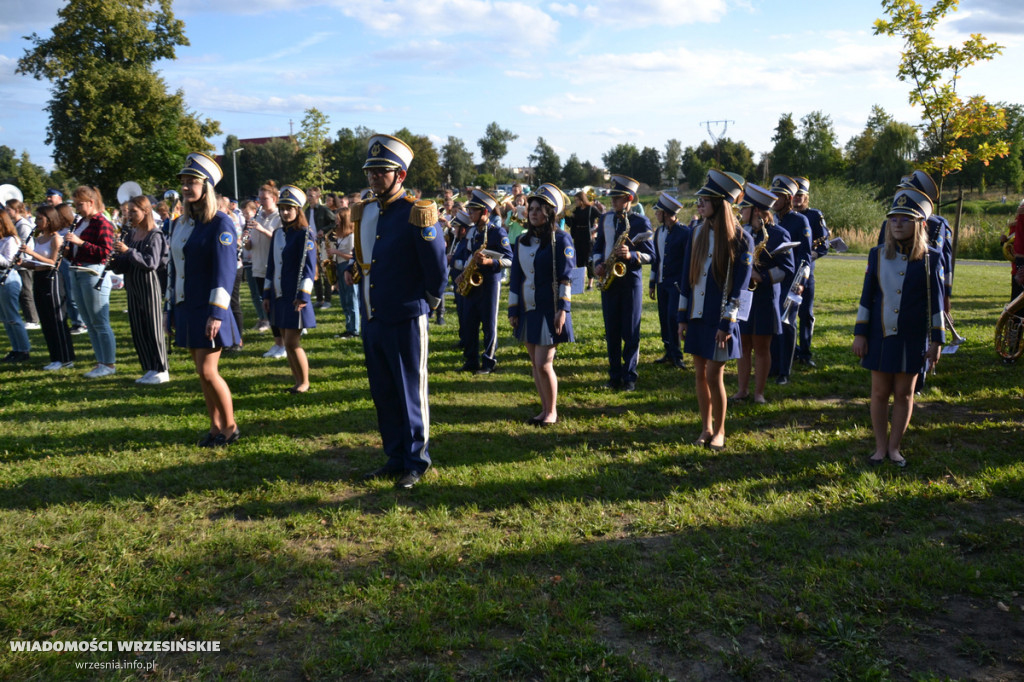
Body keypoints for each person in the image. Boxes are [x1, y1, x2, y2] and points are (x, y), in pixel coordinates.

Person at [346, 134, 447, 489]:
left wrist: (428, 303)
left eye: (382, 171)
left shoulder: (417, 213)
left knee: (409, 392)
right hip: (374, 316)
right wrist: (354, 270)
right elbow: (365, 258)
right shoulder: (366, 210)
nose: (374, 177)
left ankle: (416, 460)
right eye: (371, 171)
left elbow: (437, 270)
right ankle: (394, 455)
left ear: (400, 175)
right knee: (384, 391)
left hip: (406, 315)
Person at [853, 188, 944, 468]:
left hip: (912, 337)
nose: (898, 223)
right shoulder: (877, 254)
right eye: (893, 218)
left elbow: (936, 302)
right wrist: (860, 333)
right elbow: (867, 297)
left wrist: (936, 341)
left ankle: (895, 448)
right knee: (879, 392)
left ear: (920, 224)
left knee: (904, 394)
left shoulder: (931, 258)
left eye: (905, 218)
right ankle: (880, 448)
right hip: (880, 334)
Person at [167, 152, 242, 447]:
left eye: (192, 182)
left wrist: (217, 313)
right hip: (187, 306)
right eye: (183, 182)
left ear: (206, 186)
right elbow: (174, 268)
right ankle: (214, 427)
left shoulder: (220, 223)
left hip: (209, 308)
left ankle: (230, 427)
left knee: (210, 371)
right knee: (201, 372)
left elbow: (224, 272)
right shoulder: (181, 223)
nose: (186, 187)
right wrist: (171, 307)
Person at [677, 170, 752, 451]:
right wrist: (682, 317)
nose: (699, 204)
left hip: (720, 320)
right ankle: (706, 428)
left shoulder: (741, 239)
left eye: (704, 200)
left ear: (720, 203)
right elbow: (687, 278)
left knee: (713, 374)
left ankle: (720, 431)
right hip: (696, 316)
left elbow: (740, 290)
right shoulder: (695, 232)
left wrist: (727, 322)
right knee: (699, 373)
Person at [508, 184, 576, 426]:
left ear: (550, 212)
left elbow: (566, 277)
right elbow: (516, 277)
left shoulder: (561, 239)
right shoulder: (521, 241)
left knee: (544, 362)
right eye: (531, 208)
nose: (533, 212)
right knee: (535, 364)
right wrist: (513, 309)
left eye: (539, 209)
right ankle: (544, 408)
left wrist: (563, 310)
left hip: (550, 310)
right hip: (528, 309)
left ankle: (552, 411)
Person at [733, 184, 795, 404]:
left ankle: (759, 392)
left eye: (745, 208)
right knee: (743, 345)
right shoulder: (743, 232)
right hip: (744, 297)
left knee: (761, 347)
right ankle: (742, 390)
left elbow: (788, 268)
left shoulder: (779, 234)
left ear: (757, 211)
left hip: (765, 298)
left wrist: (763, 277)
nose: (741, 213)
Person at [592, 175, 654, 391]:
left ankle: (629, 376)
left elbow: (651, 256)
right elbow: (597, 247)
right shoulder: (606, 219)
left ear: (628, 198)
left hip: (630, 283)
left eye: (617, 198)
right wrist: (598, 264)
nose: (613, 202)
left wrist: (632, 255)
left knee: (630, 331)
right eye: (612, 198)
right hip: (609, 280)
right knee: (612, 331)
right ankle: (614, 375)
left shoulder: (640, 221)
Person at [111, 194, 170, 384]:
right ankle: (149, 366)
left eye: (134, 211)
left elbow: (151, 263)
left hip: (148, 283)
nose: (129, 215)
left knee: (152, 326)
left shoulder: (155, 234)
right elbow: (124, 263)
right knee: (138, 327)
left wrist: (128, 251)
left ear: (146, 212)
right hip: (132, 283)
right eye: (128, 211)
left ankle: (162, 368)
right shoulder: (130, 233)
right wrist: (114, 259)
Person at [263, 185, 317, 393]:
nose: (285, 212)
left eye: (289, 208)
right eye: (282, 208)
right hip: (279, 295)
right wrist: (267, 293)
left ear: (298, 210)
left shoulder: (305, 234)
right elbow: (272, 265)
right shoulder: (277, 233)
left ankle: (304, 382)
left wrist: (303, 295)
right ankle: (297, 381)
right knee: (286, 341)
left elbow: (310, 269)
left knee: (292, 341)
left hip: (295, 296)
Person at [453, 189, 512, 375]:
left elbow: (510, 259)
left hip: (489, 284)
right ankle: (471, 360)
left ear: (484, 212)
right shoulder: (471, 232)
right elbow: (466, 254)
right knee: (469, 322)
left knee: (489, 323)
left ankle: (488, 362)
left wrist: (490, 262)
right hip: (472, 282)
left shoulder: (497, 233)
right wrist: (463, 273)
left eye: (473, 211)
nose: (469, 214)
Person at [65, 186, 117, 378]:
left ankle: (109, 364)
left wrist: (80, 243)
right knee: (88, 321)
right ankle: (101, 361)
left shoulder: (102, 222)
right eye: (76, 205)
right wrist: (68, 251)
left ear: (91, 202)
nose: (77, 209)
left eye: (80, 204)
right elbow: (78, 250)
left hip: (93, 273)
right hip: (78, 271)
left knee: (100, 321)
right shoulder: (81, 222)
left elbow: (106, 252)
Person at [768, 175, 812, 385]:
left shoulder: (800, 220)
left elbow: (805, 257)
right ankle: (773, 365)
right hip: (774, 280)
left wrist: (800, 283)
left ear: (788, 198)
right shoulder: (773, 219)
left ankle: (784, 370)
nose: (774, 199)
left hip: (792, 281)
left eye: (779, 195)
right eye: (773, 194)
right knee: (773, 323)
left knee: (787, 324)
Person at [19, 205, 74, 369]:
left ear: (49, 220)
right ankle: (55, 357)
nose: (36, 222)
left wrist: (30, 253)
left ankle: (65, 358)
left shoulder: (56, 238)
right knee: (46, 319)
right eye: (36, 218)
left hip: (53, 279)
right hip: (39, 277)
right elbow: (37, 264)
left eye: (40, 218)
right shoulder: (39, 238)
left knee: (57, 319)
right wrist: (23, 263)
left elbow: (53, 262)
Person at [648, 191, 689, 369]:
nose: (656, 215)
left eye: (659, 212)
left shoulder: (684, 232)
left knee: (673, 317)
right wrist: (651, 282)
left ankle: (677, 355)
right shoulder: (659, 232)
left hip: (677, 284)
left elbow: (688, 261)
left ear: (666, 213)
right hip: (662, 283)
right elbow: (656, 259)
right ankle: (668, 351)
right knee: (664, 318)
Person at [792, 177, 829, 368]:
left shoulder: (814, 215)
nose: (797, 199)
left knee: (805, 313)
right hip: (785, 271)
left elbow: (825, 243)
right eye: (794, 195)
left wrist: (811, 254)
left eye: (800, 195)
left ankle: (805, 353)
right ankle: (792, 351)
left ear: (806, 196)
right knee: (786, 313)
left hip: (806, 273)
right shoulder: (783, 216)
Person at [247, 181, 284, 352]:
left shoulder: (280, 217)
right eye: (259, 198)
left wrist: (262, 230)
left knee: (277, 306)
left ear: (275, 199)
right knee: (266, 306)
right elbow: (252, 244)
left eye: (265, 198)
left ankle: (283, 343)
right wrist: (246, 242)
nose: (261, 202)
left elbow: (280, 240)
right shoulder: (257, 216)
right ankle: (277, 342)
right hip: (258, 266)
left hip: (274, 268)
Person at [0, 212, 31, 363]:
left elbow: (8, 262)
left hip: (8, 278)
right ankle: (15, 349)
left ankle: (24, 350)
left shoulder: (10, 240)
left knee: (13, 316)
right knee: (5, 318)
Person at [6, 199, 40, 329]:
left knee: (26, 292)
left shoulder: (23, 225)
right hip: (19, 263)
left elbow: (26, 244)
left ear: (17, 210)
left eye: (9, 209)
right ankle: (29, 318)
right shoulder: (17, 224)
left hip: (25, 262)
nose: (7, 212)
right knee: (22, 292)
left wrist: (20, 260)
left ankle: (33, 320)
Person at [327, 206, 360, 339]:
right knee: (344, 300)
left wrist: (336, 252)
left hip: (349, 268)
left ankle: (354, 329)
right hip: (340, 267)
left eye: (338, 219)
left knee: (352, 299)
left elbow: (353, 256)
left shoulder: (352, 236)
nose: (336, 222)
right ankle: (348, 327)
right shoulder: (340, 236)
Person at [54, 203, 86, 334]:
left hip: (69, 261)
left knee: (72, 292)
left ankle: (80, 322)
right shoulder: (59, 229)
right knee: (66, 293)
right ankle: (74, 321)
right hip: (61, 261)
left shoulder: (74, 227)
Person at [305, 186, 336, 309]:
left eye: (311, 196)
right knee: (315, 271)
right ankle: (319, 299)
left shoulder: (324, 210)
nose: (309, 198)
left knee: (325, 271)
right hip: (311, 245)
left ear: (318, 197)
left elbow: (334, 222)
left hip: (323, 243)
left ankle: (328, 300)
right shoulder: (306, 211)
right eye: (307, 195)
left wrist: (324, 230)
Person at [569, 188, 601, 290]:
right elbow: (572, 223)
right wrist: (569, 216)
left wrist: (596, 230)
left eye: (577, 200)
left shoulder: (591, 209)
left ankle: (590, 284)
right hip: (578, 236)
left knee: (588, 260)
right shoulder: (577, 210)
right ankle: (579, 284)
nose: (576, 202)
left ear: (582, 200)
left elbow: (602, 217)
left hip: (588, 237)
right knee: (579, 260)